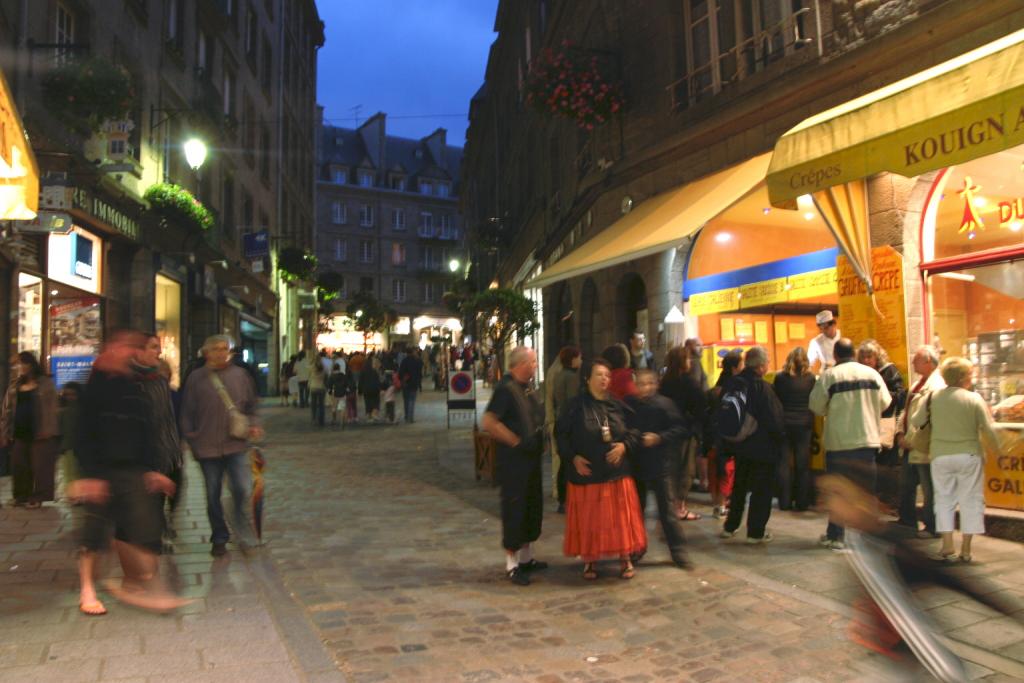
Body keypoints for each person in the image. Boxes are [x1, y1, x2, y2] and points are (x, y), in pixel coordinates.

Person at [73, 330, 185, 614]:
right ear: (111, 348)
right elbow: (82, 431)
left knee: (145, 527)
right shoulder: (95, 382)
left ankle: (147, 585)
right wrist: (87, 475)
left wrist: (153, 470)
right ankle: (87, 589)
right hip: (101, 468)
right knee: (94, 533)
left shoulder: (133, 384)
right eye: (125, 347)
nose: (128, 352)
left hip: (134, 468)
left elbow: (145, 429)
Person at [557, 358, 645, 580]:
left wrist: (624, 446)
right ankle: (590, 560)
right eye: (599, 374)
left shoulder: (618, 404)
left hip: (616, 473)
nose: (604, 379)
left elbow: (635, 431)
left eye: (607, 375)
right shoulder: (574, 406)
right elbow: (561, 436)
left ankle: (625, 558)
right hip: (587, 474)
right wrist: (573, 457)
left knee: (619, 519)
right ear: (587, 379)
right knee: (590, 520)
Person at [911, 357, 1000, 563]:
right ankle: (966, 549)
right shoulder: (974, 399)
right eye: (970, 374)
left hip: (940, 455)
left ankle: (947, 543)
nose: (972, 377)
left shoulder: (932, 397)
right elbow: (988, 430)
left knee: (943, 499)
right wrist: (997, 450)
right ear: (962, 377)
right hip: (969, 455)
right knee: (971, 500)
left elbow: (916, 421)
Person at [180, 335, 262, 557]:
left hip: (235, 445)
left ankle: (239, 523)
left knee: (242, 488)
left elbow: (251, 406)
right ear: (206, 353)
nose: (220, 353)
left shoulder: (240, 376)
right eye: (215, 349)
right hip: (206, 447)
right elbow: (187, 411)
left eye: (224, 349)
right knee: (212, 493)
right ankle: (219, 536)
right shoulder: (196, 378)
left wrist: (253, 425)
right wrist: (192, 438)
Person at [809, 338, 892, 551]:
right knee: (866, 491)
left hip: (839, 444)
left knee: (838, 492)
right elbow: (886, 403)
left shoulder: (830, 376)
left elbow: (816, 406)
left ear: (835, 355)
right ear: (854, 353)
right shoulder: (872, 374)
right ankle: (866, 538)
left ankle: (836, 536)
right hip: (867, 441)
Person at [481, 347, 547, 586]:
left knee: (532, 505)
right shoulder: (505, 389)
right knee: (515, 507)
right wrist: (516, 441)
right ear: (521, 364)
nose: (535, 365)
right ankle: (512, 564)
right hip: (514, 461)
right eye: (532, 361)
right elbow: (489, 422)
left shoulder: (527, 387)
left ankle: (527, 557)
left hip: (531, 458)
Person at [718, 346, 786, 544]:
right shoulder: (762, 387)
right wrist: (780, 440)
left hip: (739, 446)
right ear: (762, 366)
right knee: (761, 490)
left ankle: (730, 526)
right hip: (762, 447)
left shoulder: (733, 383)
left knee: (739, 486)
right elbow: (775, 420)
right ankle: (755, 532)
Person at [626, 369, 691, 569]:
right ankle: (637, 547)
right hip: (637, 465)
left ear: (656, 384)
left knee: (667, 511)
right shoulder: (630, 405)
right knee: (636, 511)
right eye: (641, 384)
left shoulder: (665, 404)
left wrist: (659, 438)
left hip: (661, 465)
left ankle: (678, 551)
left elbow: (680, 429)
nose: (645, 388)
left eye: (649, 383)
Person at [895, 346, 945, 538]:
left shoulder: (936, 386)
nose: (913, 363)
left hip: (923, 445)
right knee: (907, 484)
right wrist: (900, 433)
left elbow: (927, 420)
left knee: (929, 488)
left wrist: (910, 439)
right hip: (909, 443)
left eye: (916, 360)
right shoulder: (918, 383)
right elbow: (906, 411)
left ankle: (932, 526)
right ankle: (907, 519)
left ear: (928, 362)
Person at [1, 351, 59, 508]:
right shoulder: (15, 386)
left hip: (40, 430)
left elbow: (52, 408)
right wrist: (4, 432)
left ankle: (38, 497)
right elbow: (7, 411)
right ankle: (21, 496)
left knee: (41, 466)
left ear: (31, 364)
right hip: (19, 431)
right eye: (18, 364)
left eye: (23, 363)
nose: (21, 367)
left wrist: (50, 428)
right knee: (19, 464)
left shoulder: (45, 384)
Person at [857, 339, 906, 510]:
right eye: (863, 357)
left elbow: (900, 395)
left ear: (877, 357)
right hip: (868, 422)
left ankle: (888, 501)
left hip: (884, 422)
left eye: (869, 356)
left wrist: (881, 396)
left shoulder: (889, 371)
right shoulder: (861, 373)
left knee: (886, 463)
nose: (866, 360)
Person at [659, 346, 706, 521]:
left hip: (667, 433)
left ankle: (671, 506)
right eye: (687, 359)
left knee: (671, 470)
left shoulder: (664, 382)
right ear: (682, 362)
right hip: (685, 433)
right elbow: (701, 406)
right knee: (686, 470)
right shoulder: (689, 382)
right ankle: (680, 507)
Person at [773, 347, 816, 511]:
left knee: (783, 463)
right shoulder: (811, 379)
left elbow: (776, 398)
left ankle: (784, 502)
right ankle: (802, 502)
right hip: (804, 425)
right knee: (802, 464)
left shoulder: (780, 378)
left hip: (784, 424)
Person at [706, 351, 743, 518]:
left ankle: (717, 504)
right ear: (735, 368)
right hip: (727, 438)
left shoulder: (716, 387)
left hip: (712, 437)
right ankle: (722, 504)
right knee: (726, 471)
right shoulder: (735, 388)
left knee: (714, 470)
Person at [550, 347, 582, 513]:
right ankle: (567, 499)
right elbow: (573, 400)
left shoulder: (559, 374)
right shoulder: (571, 377)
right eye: (579, 357)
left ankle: (563, 499)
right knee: (568, 463)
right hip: (568, 422)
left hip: (559, 419)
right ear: (573, 359)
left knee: (563, 462)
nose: (581, 361)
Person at [398, 349, 423, 423]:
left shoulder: (404, 361)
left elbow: (400, 373)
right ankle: (410, 418)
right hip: (414, 383)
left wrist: (402, 380)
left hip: (405, 383)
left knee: (406, 401)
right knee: (412, 400)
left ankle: (406, 416)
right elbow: (420, 372)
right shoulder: (417, 361)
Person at [359, 354, 382, 421]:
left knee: (367, 402)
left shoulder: (364, 368)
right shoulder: (375, 367)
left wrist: (360, 390)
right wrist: (381, 388)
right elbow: (378, 379)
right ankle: (374, 415)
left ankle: (369, 416)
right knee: (375, 402)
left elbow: (361, 380)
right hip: (375, 388)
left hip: (366, 388)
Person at [309, 357, 328, 427]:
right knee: (321, 405)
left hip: (313, 387)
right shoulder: (324, 369)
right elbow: (326, 378)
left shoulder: (312, 368)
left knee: (313, 405)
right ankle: (321, 420)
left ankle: (314, 419)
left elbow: (309, 376)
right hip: (321, 388)